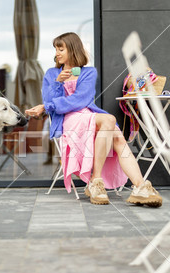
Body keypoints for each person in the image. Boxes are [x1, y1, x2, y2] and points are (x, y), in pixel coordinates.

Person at [25, 32, 162, 207]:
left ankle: (139, 187)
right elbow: (49, 100)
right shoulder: (52, 74)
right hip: (68, 121)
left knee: (116, 134)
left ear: (73, 49)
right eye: (56, 49)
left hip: (87, 114)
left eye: (61, 49)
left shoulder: (88, 72)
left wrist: (47, 107)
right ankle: (96, 182)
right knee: (110, 120)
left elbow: (80, 100)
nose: (57, 53)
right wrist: (57, 83)